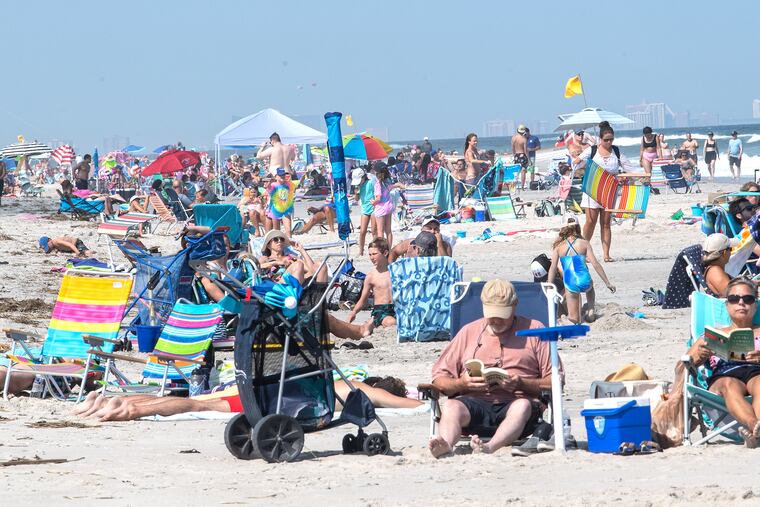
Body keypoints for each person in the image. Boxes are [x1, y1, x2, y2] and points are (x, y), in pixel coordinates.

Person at [427, 279, 556, 458]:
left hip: (518, 405)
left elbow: (556, 380)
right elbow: (439, 379)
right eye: (491, 314)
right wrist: (461, 384)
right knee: (450, 406)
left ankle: (489, 447)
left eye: (502, 314)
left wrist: (522, 384)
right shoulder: (468, 332)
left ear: (515, 305)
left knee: (522, 406)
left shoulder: (535, 330)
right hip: (474, 404)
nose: (495, 319)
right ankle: (446, 444)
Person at [70, 375, 421, 422]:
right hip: (268, 399)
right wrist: (420, 402)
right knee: (196, 405)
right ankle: (127, 407)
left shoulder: (329, 377)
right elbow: (411, 406)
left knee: (201, 399)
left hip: (256, 385)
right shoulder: (353, 386)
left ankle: (107, 399)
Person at [689, 278, 760, 447]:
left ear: (755, 305)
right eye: (734, 299)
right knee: (729, 385)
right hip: (724, 374)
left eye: (747, 299)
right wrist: (700, 355)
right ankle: (754, 427)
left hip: (756, 371)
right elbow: (683, 364)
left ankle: (754, 434)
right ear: (727, 305)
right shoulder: (713, 334)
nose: (741, 303)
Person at [572, 121, 632, 262]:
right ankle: (583, 252)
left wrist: (641, 178)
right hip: (592, 191)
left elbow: (630, 168)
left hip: (609, 191)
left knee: (606, 223)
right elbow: (576, 162)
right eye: (606, 140)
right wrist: (578, 161)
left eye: (611, 139)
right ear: (600, 139)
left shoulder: (616, 152)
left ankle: (606, 254)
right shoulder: (592, 150)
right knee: (590, 221)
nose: (609, 142)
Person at [547, 216, 615, 324]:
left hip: (571, 283)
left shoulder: (559, 246)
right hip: (585, 280)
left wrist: (549, 285)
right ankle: (591, 309)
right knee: (590, 286)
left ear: (563, 228)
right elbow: (595, 264)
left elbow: (553, 268)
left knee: (574, 319)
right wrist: (607, 283)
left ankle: (565, 318)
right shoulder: (584, 243)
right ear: (578, 227)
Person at [347, 238, 396, 333]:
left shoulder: (395, 271)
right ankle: (373, 322)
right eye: (370, 255)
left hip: (397, 307)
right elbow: (363, 300)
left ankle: (370, 324)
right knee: (391, 322)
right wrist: (353, 313)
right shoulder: (371, 276)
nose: (371, 258)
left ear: (385, 253)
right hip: (381, 310)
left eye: (374, 254)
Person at [258, 229, 326, 284]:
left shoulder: (291, 257)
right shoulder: (265, 258)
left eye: (282, 239)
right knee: (298, 264)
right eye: (275, 239)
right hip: (278, 284)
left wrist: (302, 250)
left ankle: (319, 296)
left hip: (298, 281)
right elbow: (256, 268)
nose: (279, 241)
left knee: (320, 265)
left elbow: (311, 269)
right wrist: (276, 262)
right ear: (268, 245)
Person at [389, 218, 453, 262]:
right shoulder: (410, 243)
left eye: (436, 229)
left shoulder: (445, 245)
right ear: (421, 229)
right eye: (429, 228)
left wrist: (439, 243)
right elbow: (393, 252)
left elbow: (447, 265)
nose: (433, 231)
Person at [372, 164, 399, 248]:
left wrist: (373, 202)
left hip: (381, 208)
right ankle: (389, 249)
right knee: (388, 231)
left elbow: (378, 198)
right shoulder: (387, 181)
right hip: (389, 206)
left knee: (380, 231)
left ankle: (382, 249)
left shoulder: (378, 184)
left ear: (376, 173)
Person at [353, 168, 377, 256]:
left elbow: (377, 194)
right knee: (362, 231)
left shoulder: (370, 182)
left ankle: (375, 249)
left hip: (373, 208)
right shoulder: (358, 186)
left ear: (363, 177)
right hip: (365, 209)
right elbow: (356, 199)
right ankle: (361, 250)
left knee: (374, 231)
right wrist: (356, 193)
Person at [512, 125, 530, 190]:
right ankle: (522, 187)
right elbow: (525, 151)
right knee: (523, 172)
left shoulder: (513, 138)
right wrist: (528, 159)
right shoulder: (524, 139)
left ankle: (514, 186)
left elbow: (513, 148)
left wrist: (514, 155)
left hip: (516, 155)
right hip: (522, 155)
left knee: (516, 172)